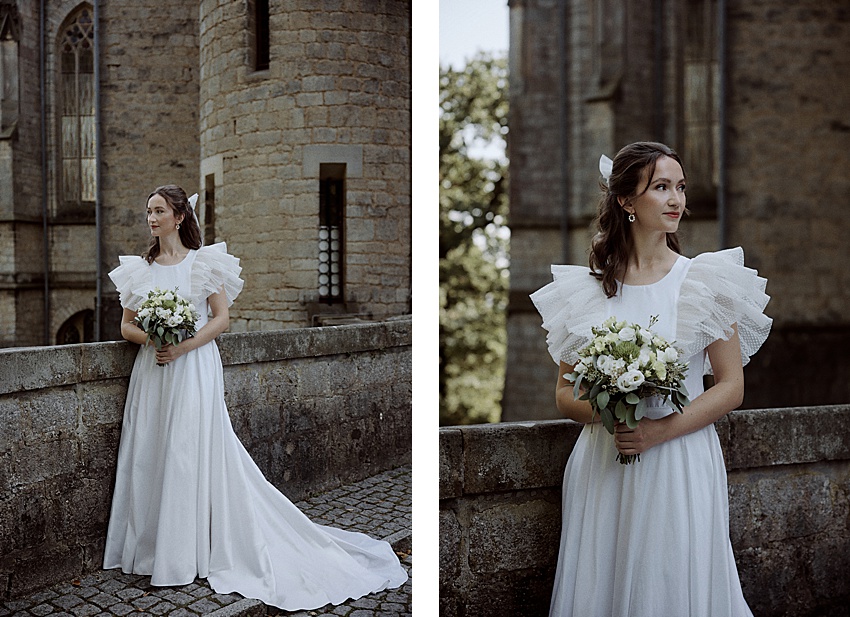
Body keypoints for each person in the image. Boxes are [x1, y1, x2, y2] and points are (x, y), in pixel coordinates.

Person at [104, 185, 407, 610]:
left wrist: (184, 345)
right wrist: (155, 338)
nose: (151, 218)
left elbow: (222, 318)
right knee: (151, 452)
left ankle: (185, 555)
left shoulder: (203, 263)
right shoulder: (139, 269)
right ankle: (152, 549)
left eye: (158, 211)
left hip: (193, 367)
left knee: (188, 451)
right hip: (154, 372)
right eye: (148, 211)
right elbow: (126, 328)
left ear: (179, 216)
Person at [530, 142, 771, 617]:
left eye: (680, 187)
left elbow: (730, 386)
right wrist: (613, 412)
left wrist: (659, 431)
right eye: (661, 187)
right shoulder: (589, 289)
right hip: (604, 464)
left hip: (680, 460)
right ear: (626, 201)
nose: (675, 199)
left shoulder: (706, 282)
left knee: (673, 582)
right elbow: (564, 394)